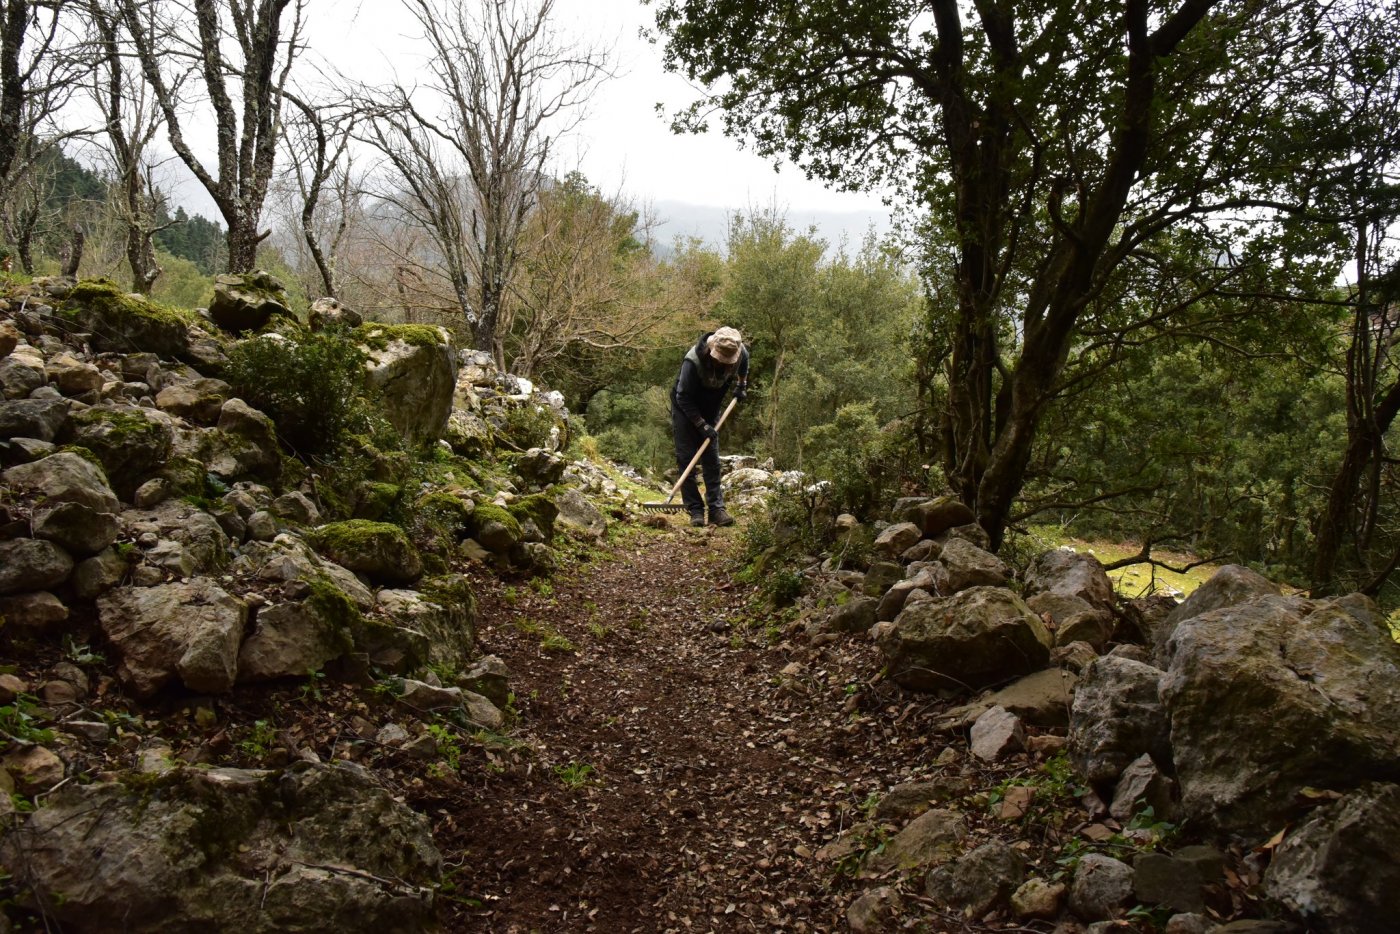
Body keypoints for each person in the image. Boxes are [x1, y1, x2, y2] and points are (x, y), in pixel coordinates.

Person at [670, 326, 749, 527]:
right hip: (686, 409)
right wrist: (700, 424)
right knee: (686, 458)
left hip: (711, 409)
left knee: (712, 460)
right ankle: (695, 510)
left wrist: (741, 385)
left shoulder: (739, 352)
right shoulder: (693, 361)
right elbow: (683, 397)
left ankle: (716, 509)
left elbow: (744, 365)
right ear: (712, 350)